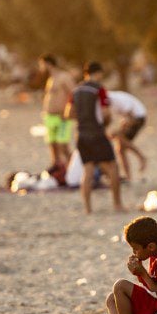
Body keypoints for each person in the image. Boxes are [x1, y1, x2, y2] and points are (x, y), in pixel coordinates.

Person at [64, 61, 123, 214]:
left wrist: (83, 119)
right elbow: (105, 113)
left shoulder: (76, 90)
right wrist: (105, 124)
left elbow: (68, 114)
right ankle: (117, 205)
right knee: (112, 168)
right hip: (96, 133)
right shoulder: (99, 89)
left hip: (81, 134)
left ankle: (87, 208)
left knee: (88, 170)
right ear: (99, 73)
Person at [39, 53, 75, 168]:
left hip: (62, 116)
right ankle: (58, 168)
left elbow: (73, 94)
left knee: (63, 145)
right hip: (50, 116)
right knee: (52, 144)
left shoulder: (64, 76)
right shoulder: (50, 79)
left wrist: (68, 111)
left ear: (48, 64)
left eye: (42, 64)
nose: (41, 68)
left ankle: (72, 168)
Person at [108, 89, 148, 181]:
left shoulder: (115, 100)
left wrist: (117, 131)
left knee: (119, 138)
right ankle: (128, 176)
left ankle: (141, 157)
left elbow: (129, 116)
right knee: (120, 148)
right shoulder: (112, 99)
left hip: (138, 117)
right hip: (133, 117)